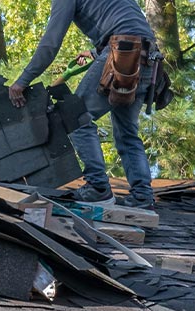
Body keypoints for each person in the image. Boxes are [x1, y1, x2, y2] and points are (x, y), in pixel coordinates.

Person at [9, 0, 157, 209]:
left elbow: (51, 44)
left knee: (76, 117)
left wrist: (22, 81)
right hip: (148, 59)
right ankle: (143, 196)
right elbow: (127, 24)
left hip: (122, 52)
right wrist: (97, 53)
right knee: (127, 133)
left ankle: (97, 188)